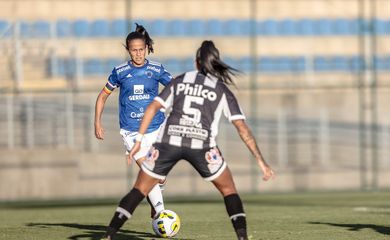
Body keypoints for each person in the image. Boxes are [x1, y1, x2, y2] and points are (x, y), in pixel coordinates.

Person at [100, 40, 275, 240]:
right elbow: (242, 129)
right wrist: (262, 162)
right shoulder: (221, 89)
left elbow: (152, 108)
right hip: (202, 145)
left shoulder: (181, 80)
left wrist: (138, 140)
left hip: (169, 141)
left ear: (196, 62)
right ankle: (242, 237)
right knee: (228, 190)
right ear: (216, 63)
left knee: (140, 189)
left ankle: (109, 234)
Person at [94, 23, 172, 221]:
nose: (137, 54)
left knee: (159, 177)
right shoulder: (119, 72)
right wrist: (97, 122)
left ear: (146, 48)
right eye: (133, 50)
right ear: (128, 50)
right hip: (131, 131)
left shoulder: (156, 69)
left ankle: (156, 202)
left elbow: (174, 87)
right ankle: (162, 215)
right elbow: (102, 96)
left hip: (157, 128)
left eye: (141, 50)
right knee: (149, 172)